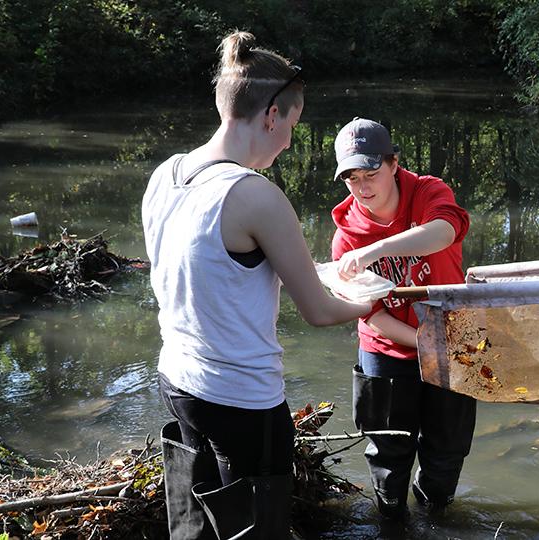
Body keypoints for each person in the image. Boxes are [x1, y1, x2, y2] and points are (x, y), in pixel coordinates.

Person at [141, 32, 372, 540]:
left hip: (178, 381)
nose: (289, 140)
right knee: (257, 529)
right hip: (242, 399)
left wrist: (321, 271)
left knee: (195, 521)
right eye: (291, 124)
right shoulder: (255, 196)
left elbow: (213, 270)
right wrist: (370, 301)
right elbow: (318, 311)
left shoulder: (167, 174)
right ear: (271, 115)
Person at [330, 117, 475, 519]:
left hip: (452, 342)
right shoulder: (345, 234)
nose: (362, 188)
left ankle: (434, 515)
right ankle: (392, 520)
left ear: (394, 164)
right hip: (388, 351)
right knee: (388, 452)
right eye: (351, 179)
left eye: (372, 174)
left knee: (447, 447)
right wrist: (425, 342)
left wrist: (375, 251)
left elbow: (444, 232)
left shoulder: (429, 191)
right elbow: (371, 315)